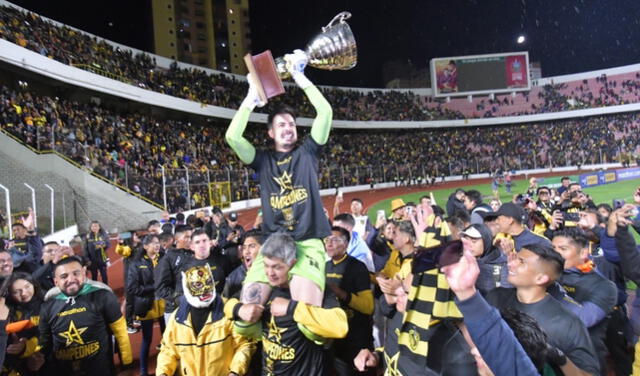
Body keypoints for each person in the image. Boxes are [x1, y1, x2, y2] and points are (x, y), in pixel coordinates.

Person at [225, 50, 333, 334]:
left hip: (308, 242)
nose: (288, 128)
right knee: (243, 326)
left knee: (311, 327)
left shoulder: (308, 152)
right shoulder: (262, 161)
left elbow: (325, 113)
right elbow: (233, 137)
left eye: (292, 125)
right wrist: (250, 99)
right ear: (271, 133)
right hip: (273, 245)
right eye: (281, 125)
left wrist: (300, 75)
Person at [485, 244, 600, 375]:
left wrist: (560, 358)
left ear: (541, 278)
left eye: (521, 261)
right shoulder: (495, 297)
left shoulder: (567, 323)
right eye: (515, 257)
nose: (511, 264)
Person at [253, 233, 348, 375]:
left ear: (292, 263)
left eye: (277, 267)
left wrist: (292, 308)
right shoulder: (265, 291)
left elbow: (340, 327)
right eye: (266, 266)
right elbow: (231, 303)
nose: (270, 273)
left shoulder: (315, 289)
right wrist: (237, 309)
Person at [38, 255, 132, 375]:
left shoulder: (103, 296)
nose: (71, 279)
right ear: (56, 281)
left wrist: (127, 364)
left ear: (83, 273)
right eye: (64, 276)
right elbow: (44, 343)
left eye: (76, 273)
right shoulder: (47, 307)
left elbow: (121, 332)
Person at [156, 264, 255, 376]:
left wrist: (235, 372)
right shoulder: (177, 318)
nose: (205, 289)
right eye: (198, 284)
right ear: (187, 286)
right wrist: (163, 372)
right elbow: (168, 350)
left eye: (207, 283)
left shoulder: (228, 310)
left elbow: (244, 345)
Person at [551, 229, 617, 375]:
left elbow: (580, 320)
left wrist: (549, 287)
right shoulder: (550, 275)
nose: (555, 254)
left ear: (583, 253)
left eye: (563, 249)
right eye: (552, 248)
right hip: (548, 357)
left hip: (582, 364)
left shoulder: (604, 287)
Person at [324, 226, 374, 375]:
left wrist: (342, 294)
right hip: (334, 339)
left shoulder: (357, 267)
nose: (329, 243)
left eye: (335, 240)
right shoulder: (324, 267)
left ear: (346, 244)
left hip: (357, 340)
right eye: (327, 240)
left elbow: (369, 307)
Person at [127, 234, 166, 376]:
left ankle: (168, 366)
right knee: (147, 339)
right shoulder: (136, 263)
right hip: (147, 306)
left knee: (168, 337)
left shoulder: (163, 258)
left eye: (158, 243)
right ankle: (143, 371)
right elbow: (132, 288)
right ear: (145, 246)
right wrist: (153, 287)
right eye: (153, 243)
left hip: (164, 304)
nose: (157, 245)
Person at [4, 272, 46, 375]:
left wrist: (28, 348)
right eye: (17, 292)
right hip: (20, 365)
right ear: (9, 294)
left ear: (34, 284)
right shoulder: (6, 311)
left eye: (27, 287)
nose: (24, 293)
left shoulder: (48, 303)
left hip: (49, 357)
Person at [155, 224, 193, 323]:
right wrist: (178, 298)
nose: (190, 240)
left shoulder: (195, 255)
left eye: (191, 237)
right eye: (187, 237)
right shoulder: (168, 259)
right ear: (177, 239)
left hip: (195, 308)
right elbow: (160, 287)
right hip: (174, 310)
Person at [459, 224, 509, 295]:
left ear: (486, 241)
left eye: (474, 241)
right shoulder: (459, 263)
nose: (469, 245)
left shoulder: (502, 266)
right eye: (466, 240)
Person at [223, 229, 264, 300]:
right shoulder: (233, 278)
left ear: (263, 248)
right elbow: (224, 303)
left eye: (252, 246)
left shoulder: (271, 273)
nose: (246, 252)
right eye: (244, 247)